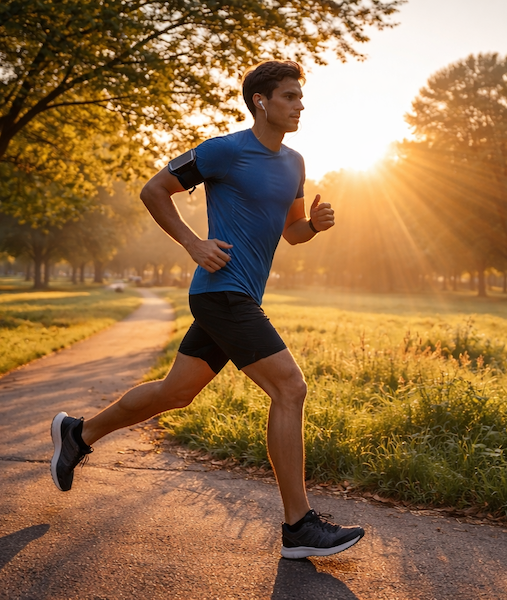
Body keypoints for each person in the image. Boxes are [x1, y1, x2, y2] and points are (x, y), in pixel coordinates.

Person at [50, 60, 364, 560]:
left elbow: (292, 231)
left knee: (176, 393)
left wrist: (317, 226)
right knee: (290, 386)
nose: (300, 104)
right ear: (261, 102)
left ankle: (78, 434)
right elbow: (154, 190)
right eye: (289, 96)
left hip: (241, 296)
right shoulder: (224, 151)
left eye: (300, 97)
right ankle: (299, 526)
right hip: (221, 293)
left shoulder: (295, 162)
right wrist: (193, 243)